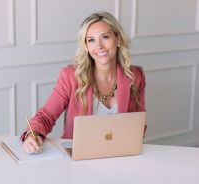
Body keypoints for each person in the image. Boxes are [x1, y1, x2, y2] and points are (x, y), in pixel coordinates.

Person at [21, 11, 146, 154]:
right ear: (85, 46)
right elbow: (46, 116)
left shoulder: (135, 76)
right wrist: (33, 134)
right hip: (79, 157)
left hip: (120, 155)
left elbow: (138, 126)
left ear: (117, 39)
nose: (99, 46)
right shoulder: (71, 77)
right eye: (91, 40)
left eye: (105, 37)